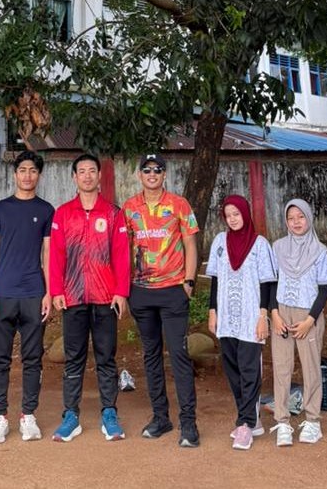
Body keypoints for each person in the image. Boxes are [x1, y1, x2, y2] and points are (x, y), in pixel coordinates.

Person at [49, 153, 131, 442]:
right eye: (81, 171)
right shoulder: (63, 213)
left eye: (91, 171)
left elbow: (121, 254)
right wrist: (56, 290)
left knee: (106, 357)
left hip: (105, 298)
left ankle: (109, 413)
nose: (87, 176)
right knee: (74, 358)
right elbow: (56, 255)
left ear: (99, 176)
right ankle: (70, 416)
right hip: (73, 297)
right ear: (74, 177)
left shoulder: (113, 213)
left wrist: (121, 292)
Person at [122, 154, 200, 447]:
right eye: (147, 170)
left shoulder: (179, 204)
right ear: (139, 175)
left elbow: (190, 242)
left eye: (157, 169)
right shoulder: (129, 207)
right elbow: (123, 248)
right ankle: (160, 417)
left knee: (179, 355)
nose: (152, 174)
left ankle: (188, 423)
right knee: (151, 355)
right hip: (141, 292)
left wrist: (189, 282)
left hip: (173, 291)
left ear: (164, 174)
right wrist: (125, 288)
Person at [0, 151, 55, 443]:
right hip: (2, 293)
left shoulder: (46, 210)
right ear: (15, 174)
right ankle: (0, 416)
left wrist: (49, 292)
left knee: (32, 358)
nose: (27, 175)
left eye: (33, 170)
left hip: (34, 293)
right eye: (23, 170)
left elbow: (48, 253)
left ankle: (28, 415)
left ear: (39, 175)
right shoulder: (0, 209)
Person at [206, 195, 277, 451]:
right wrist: (212, 311)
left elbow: (267, 283)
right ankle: (251, 419)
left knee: (249, 370)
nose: (233, 219)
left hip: (250, 318)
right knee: (233, 370)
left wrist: (263, 316)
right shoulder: (219, 242)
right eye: (228, 215)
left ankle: (245, 423)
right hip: (227, 317)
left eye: (236, 214)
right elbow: (215, 280)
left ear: (245, 214)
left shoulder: (260, 245)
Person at [269, 199, 327, 447]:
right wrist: (274, 314)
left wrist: (310, 320)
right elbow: (271, 282)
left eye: (301, 217)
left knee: (310, 368)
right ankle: (282, 421)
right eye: (291, 218)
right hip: (281, 314)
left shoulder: (320, 251)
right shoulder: (277, 247)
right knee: (281, 367)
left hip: (309, 313)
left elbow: (325, 289)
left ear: (309, 218)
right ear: (285, 221)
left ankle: (313, 420)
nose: (296, 222)